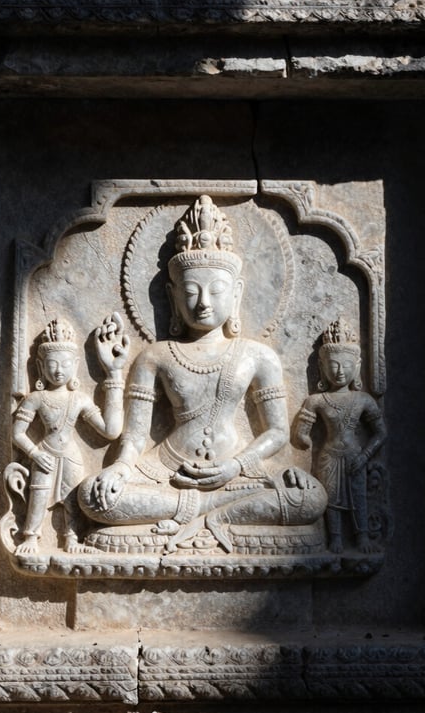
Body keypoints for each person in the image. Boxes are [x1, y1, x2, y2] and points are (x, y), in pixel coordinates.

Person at [78, 195, 326, 553]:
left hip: (238, 471)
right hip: (168, 471)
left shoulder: (258, 356)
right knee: (95, 497)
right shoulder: (155, 356)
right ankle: (213, 514)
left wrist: (235, 466)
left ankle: (205, 516)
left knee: (312, 498)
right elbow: (133, 438)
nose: (203, 302)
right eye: (191, 291)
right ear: (172, 296)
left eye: (216, 290)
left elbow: (275, 433)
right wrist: (119, 469)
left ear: (237, 293)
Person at [12, 314, 128, 554]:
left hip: (71, 455)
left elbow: (111, 431)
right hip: (44, 454)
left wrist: (113, 376)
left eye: (65, 364)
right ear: (41, 367)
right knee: (38, 495)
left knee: (72, 499)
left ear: (75, 365)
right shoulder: (36, 399)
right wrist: (33, 453)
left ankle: (72, 538)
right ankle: (31, 537)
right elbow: (17, 434)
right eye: (52, 364)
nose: (58, 371)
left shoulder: (79, 399)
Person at [292, 319, 386, 554]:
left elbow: (380, 432)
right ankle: (334, 538)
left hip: (356, 455)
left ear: (357, 366)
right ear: (322, 368)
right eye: (333, 365)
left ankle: (361, 537)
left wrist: (365, 456)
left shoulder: (363, 400)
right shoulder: (316, 401)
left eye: (345, 365)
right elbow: (301, 432)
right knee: (330, 499)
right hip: (328, 456)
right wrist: (304, 438)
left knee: (359, 497)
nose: (340, 371)